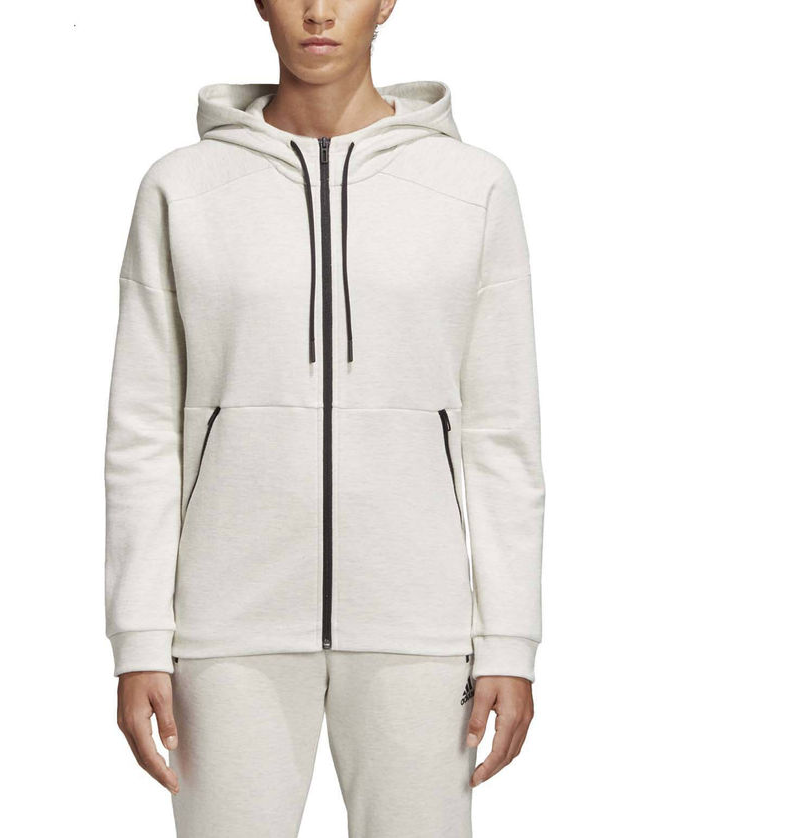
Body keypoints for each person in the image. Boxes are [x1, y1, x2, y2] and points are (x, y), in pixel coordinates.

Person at [104, 1, 545, 835]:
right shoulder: (182, 188)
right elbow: (143, 432)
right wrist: (138, 639)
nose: (318, 10)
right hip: (225, 625)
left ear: (386, 4)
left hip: (418, 621)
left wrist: (510, 640)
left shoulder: (473, 186)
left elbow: (502, 433)